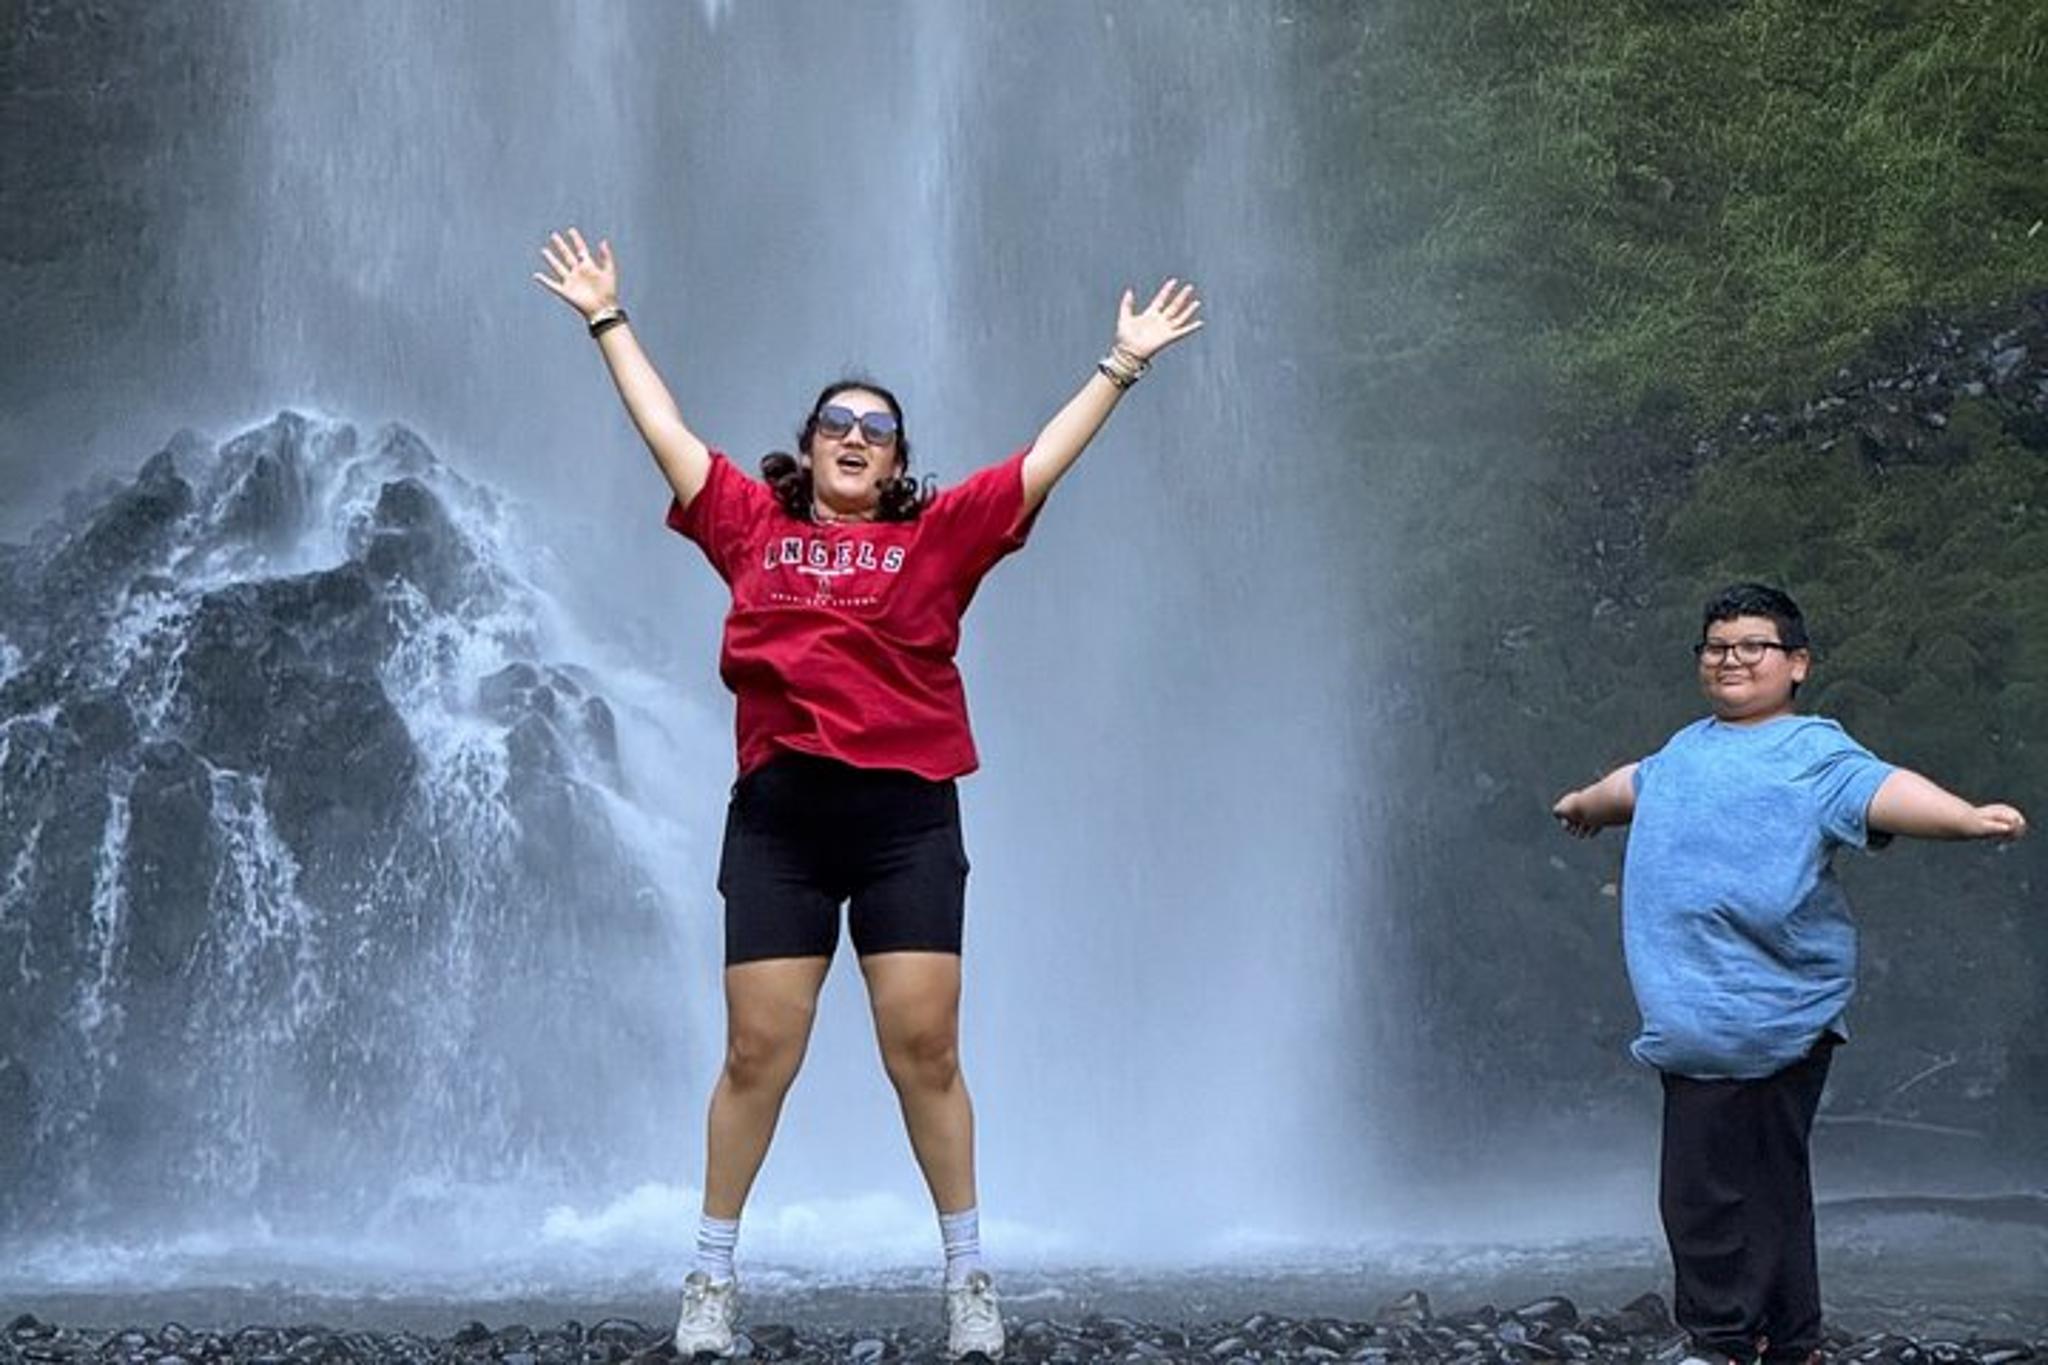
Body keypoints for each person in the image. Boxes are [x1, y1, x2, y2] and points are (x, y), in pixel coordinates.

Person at [533, 226, 1202, 1360]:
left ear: (896, 462)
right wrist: (607, 318)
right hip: (782, 821)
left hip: (903, 816)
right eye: (835, 424)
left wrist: (1120, 363)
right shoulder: (752, 528)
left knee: (923, 1048)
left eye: (876, 430)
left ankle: (968, 1278)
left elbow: (1041, 461)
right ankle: (709, 1280)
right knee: (758, 1054)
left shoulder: (939, 539)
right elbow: (665, 436)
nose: (854, 438)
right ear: (807, 448)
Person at [1551, 582, 2028, 1365]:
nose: (1730, 659)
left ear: (1796, 662)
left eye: (1751, 646)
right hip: (1693, 1019)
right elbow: (1630, 784)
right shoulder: (1684, 751)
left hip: (1772, 1012)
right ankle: (1790, 1338)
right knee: (1766, 1184)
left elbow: (1885, 789)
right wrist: (1584, 803)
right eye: (1715, 646)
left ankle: (1722, 1341)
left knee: (1705, 1195)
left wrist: (1968, 818)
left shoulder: (1815, 754)